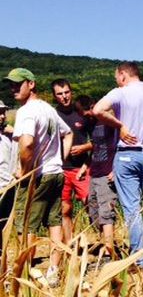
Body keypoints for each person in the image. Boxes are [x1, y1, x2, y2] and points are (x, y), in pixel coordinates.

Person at [93, 62, 143, 268]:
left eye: (117, 77)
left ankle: (139, 259)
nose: (116, 81)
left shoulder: (120, 93)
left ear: (123, 75)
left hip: (126, 156)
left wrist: (120, 125)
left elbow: (97, 110)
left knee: (132, 208)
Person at [4, 68, 72, 288]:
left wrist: (24, 171)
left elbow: (26, 143)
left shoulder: (27, 111)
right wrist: (60, 159)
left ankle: (24, 273)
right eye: (11, 85)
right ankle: (53, 271)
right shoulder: (49, 110)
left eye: (18, 84)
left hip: (38, 176)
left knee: (27, 226)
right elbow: (68, 133)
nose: (13, 88)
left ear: (31, 84)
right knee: (54, 223)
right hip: (56, 173)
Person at [75, 95, 118, 262]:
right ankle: (105, 247)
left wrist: (116, 169)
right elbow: (96, 148)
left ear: (95, 105)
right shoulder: (92, 124)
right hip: (95, 171)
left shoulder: (110, 120)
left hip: (107, 172)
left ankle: (109, 255)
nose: (88, 115)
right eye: (84, 114)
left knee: (106, 213)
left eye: (89, 111)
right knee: (94, 212)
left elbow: (121, 144)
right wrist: (85, 167)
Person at [51, 78, 93, 244]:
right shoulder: (53, 115)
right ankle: (69, 246)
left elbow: (99, 140)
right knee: (65, 210)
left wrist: (84, 148)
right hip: (61, 169)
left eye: (67, 92)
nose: (64, 97)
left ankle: (104, 243)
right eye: (60, 94)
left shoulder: (81, 113)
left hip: (82, 168)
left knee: (91, 205)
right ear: (55, 96)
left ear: (71, 92)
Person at [0, 100, 18, 256]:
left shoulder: (8, 135)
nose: (1, 116)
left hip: (9, 186)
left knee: (5, 224)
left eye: (3, 112)